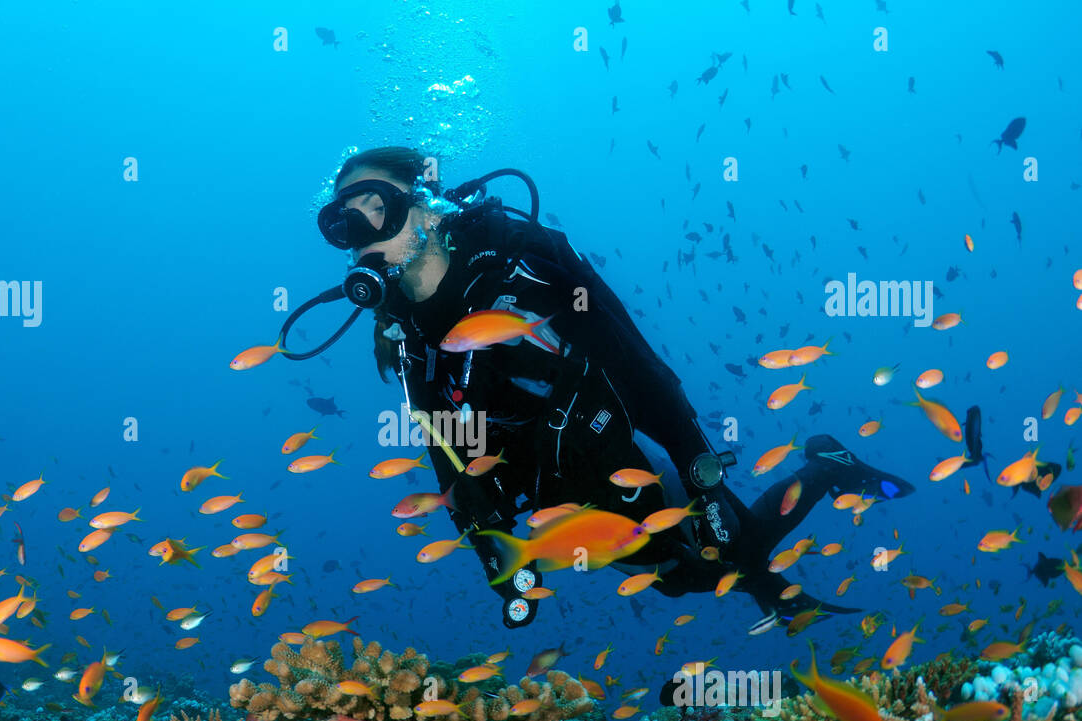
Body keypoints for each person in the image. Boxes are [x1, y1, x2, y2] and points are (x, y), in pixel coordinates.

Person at [313, 147, 915, 629]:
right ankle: (772, 579)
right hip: (546, 477)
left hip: (612, 435)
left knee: (730, 550)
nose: (361, 235)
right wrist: (497, 559)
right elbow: (444, 450)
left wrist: (701, 476)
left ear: (426, 203)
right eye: (341, 224)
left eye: (375, 209)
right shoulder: (407, 332)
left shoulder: (524, 268)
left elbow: (638, 366)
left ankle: (826, 469)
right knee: (682, 579)